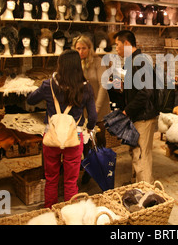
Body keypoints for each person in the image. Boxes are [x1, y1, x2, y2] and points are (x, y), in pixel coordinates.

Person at [27, 49, 97, 208]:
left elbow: (31, 100)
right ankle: (69, 214)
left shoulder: (48, 84)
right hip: (74, 138)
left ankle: (50, 211)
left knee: (51, 179)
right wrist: (89, 129)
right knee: (71, 180)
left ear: (60, 65)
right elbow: (92, 116)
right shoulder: (86, 87)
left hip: (51, 137)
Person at [113, 30, 158, 184]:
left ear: (126, 44)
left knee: (141, 157)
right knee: (136, 153)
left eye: (118, 45)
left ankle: (147, 196)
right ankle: (138, 188)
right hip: (137, 115)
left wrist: (127, 110)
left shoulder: (140, 61)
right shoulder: (132, 61)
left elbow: (146, 92)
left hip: (143, 117)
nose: (116, 49)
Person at [73, 35, 111, 184]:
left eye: (84, 48)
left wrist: (96, 108)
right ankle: (89, 168)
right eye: (78, 48)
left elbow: (103, 85)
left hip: (99, 108)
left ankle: (102, 167)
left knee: (99, 140)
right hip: (81, 110)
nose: (81, 51)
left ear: (89, 49)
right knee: (85, 141)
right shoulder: (74, 64)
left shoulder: (98, 62)